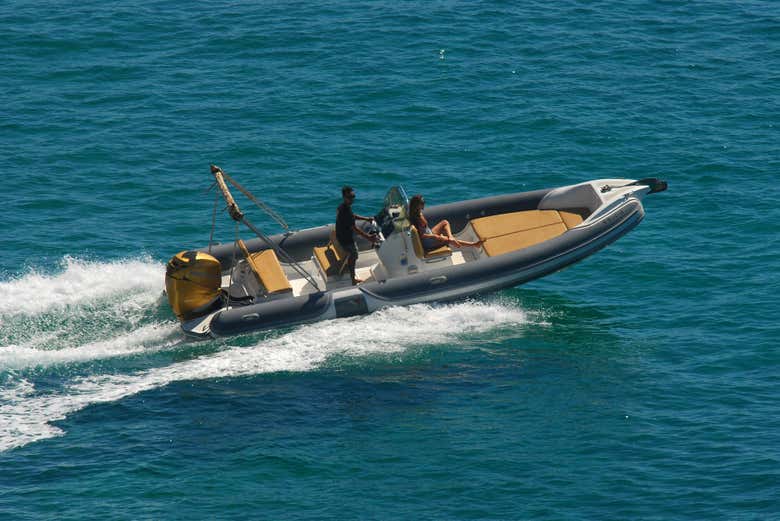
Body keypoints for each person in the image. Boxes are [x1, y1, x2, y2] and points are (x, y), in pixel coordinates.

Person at [336, 186, 378, 285]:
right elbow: (354, 228)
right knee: (354, 255)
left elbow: (353, 216)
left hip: (341, 236)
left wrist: (366, 219)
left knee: (353, 255)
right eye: (350, 197)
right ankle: (352, 279)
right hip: (346, 240)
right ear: (344, 197)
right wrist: (369, 237)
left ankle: (352, 275)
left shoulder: (343, 207)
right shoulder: (345, 211)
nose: (352, 199)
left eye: (353, 196)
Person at [408, 194, 482, 251]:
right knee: (448, 240)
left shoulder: (416, 214)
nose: (424, 204)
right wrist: (436, 236)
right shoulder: (418, 218)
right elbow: (422, 235)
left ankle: (451, 237)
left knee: (445, 222)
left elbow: (424, 230)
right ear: (417, 205)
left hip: (429, 233)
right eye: (422, 203)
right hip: (428, 241)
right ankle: (474, 245)